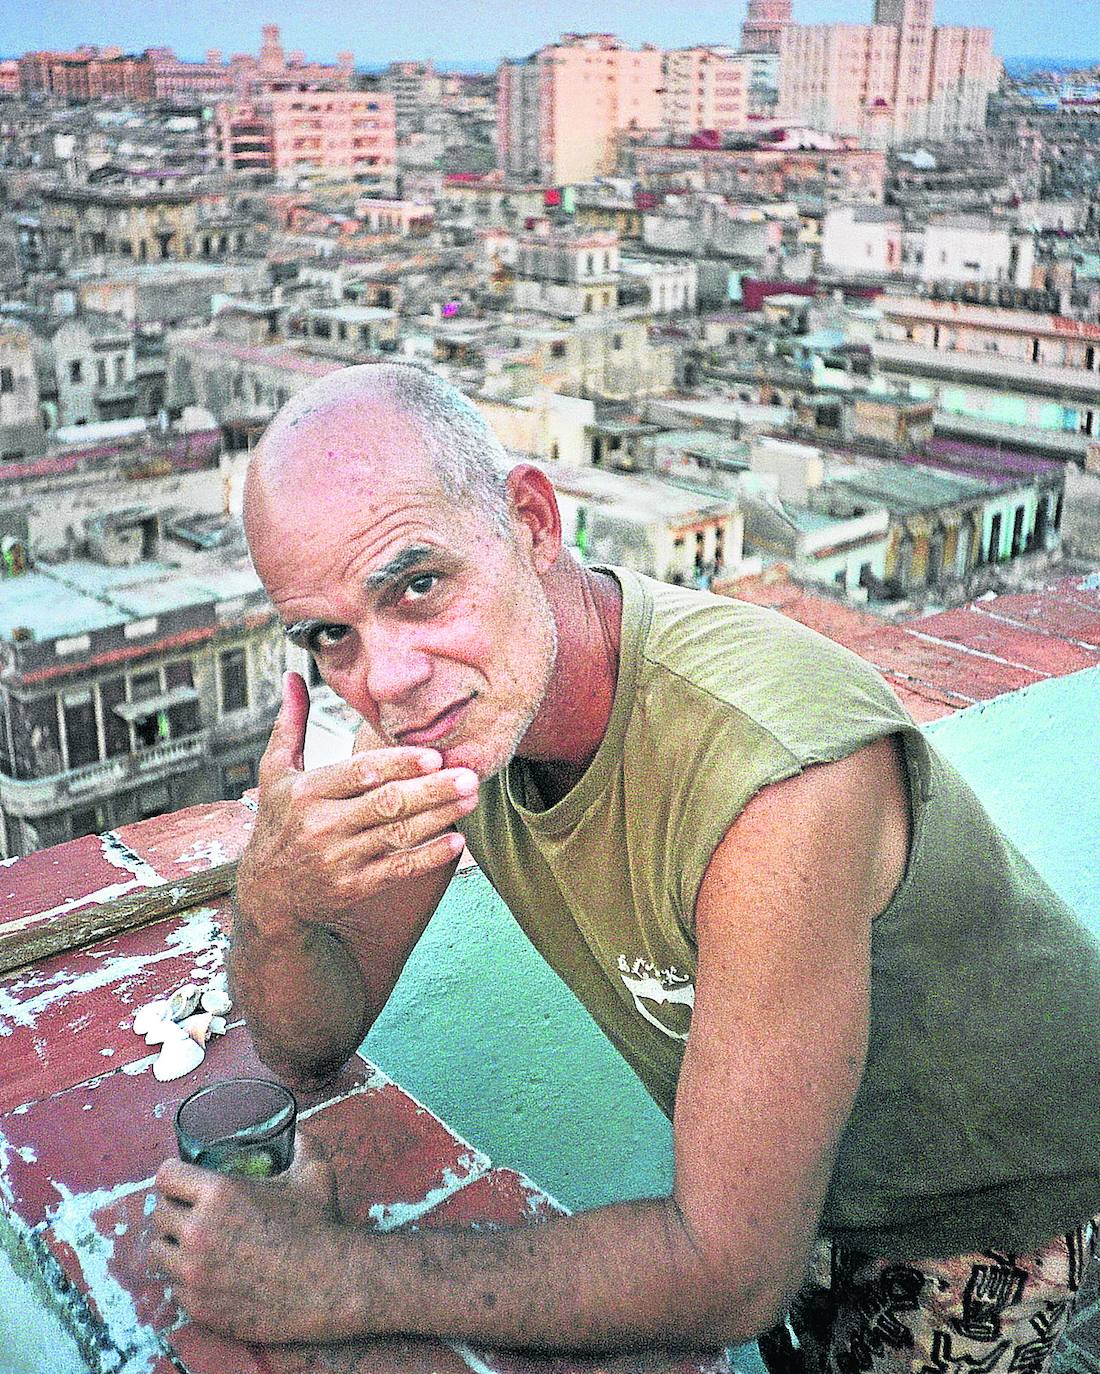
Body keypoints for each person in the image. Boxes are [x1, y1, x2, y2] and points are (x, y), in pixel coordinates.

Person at [152, 363, 1100, 1370]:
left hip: (984, 1187)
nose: (383, 678)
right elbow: (309, 1046)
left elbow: (729, 1272)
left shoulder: (767, 782)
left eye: (418, 585)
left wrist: (331, 1280)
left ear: (530, 522)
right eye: (329, 637)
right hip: (812, 1187)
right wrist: (274, 897)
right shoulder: (448, 711)